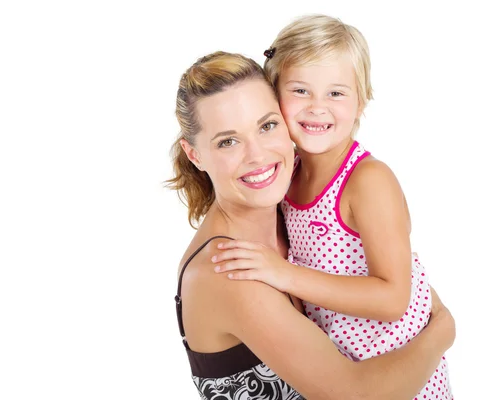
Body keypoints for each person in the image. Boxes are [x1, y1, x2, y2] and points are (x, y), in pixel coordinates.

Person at [168, 50, 455, 400]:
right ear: (194, 154)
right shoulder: (228, 269)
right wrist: (441, 332)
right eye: (228, 141)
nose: (257, 155)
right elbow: (355, 396)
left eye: (267, 125)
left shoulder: (293, 215)